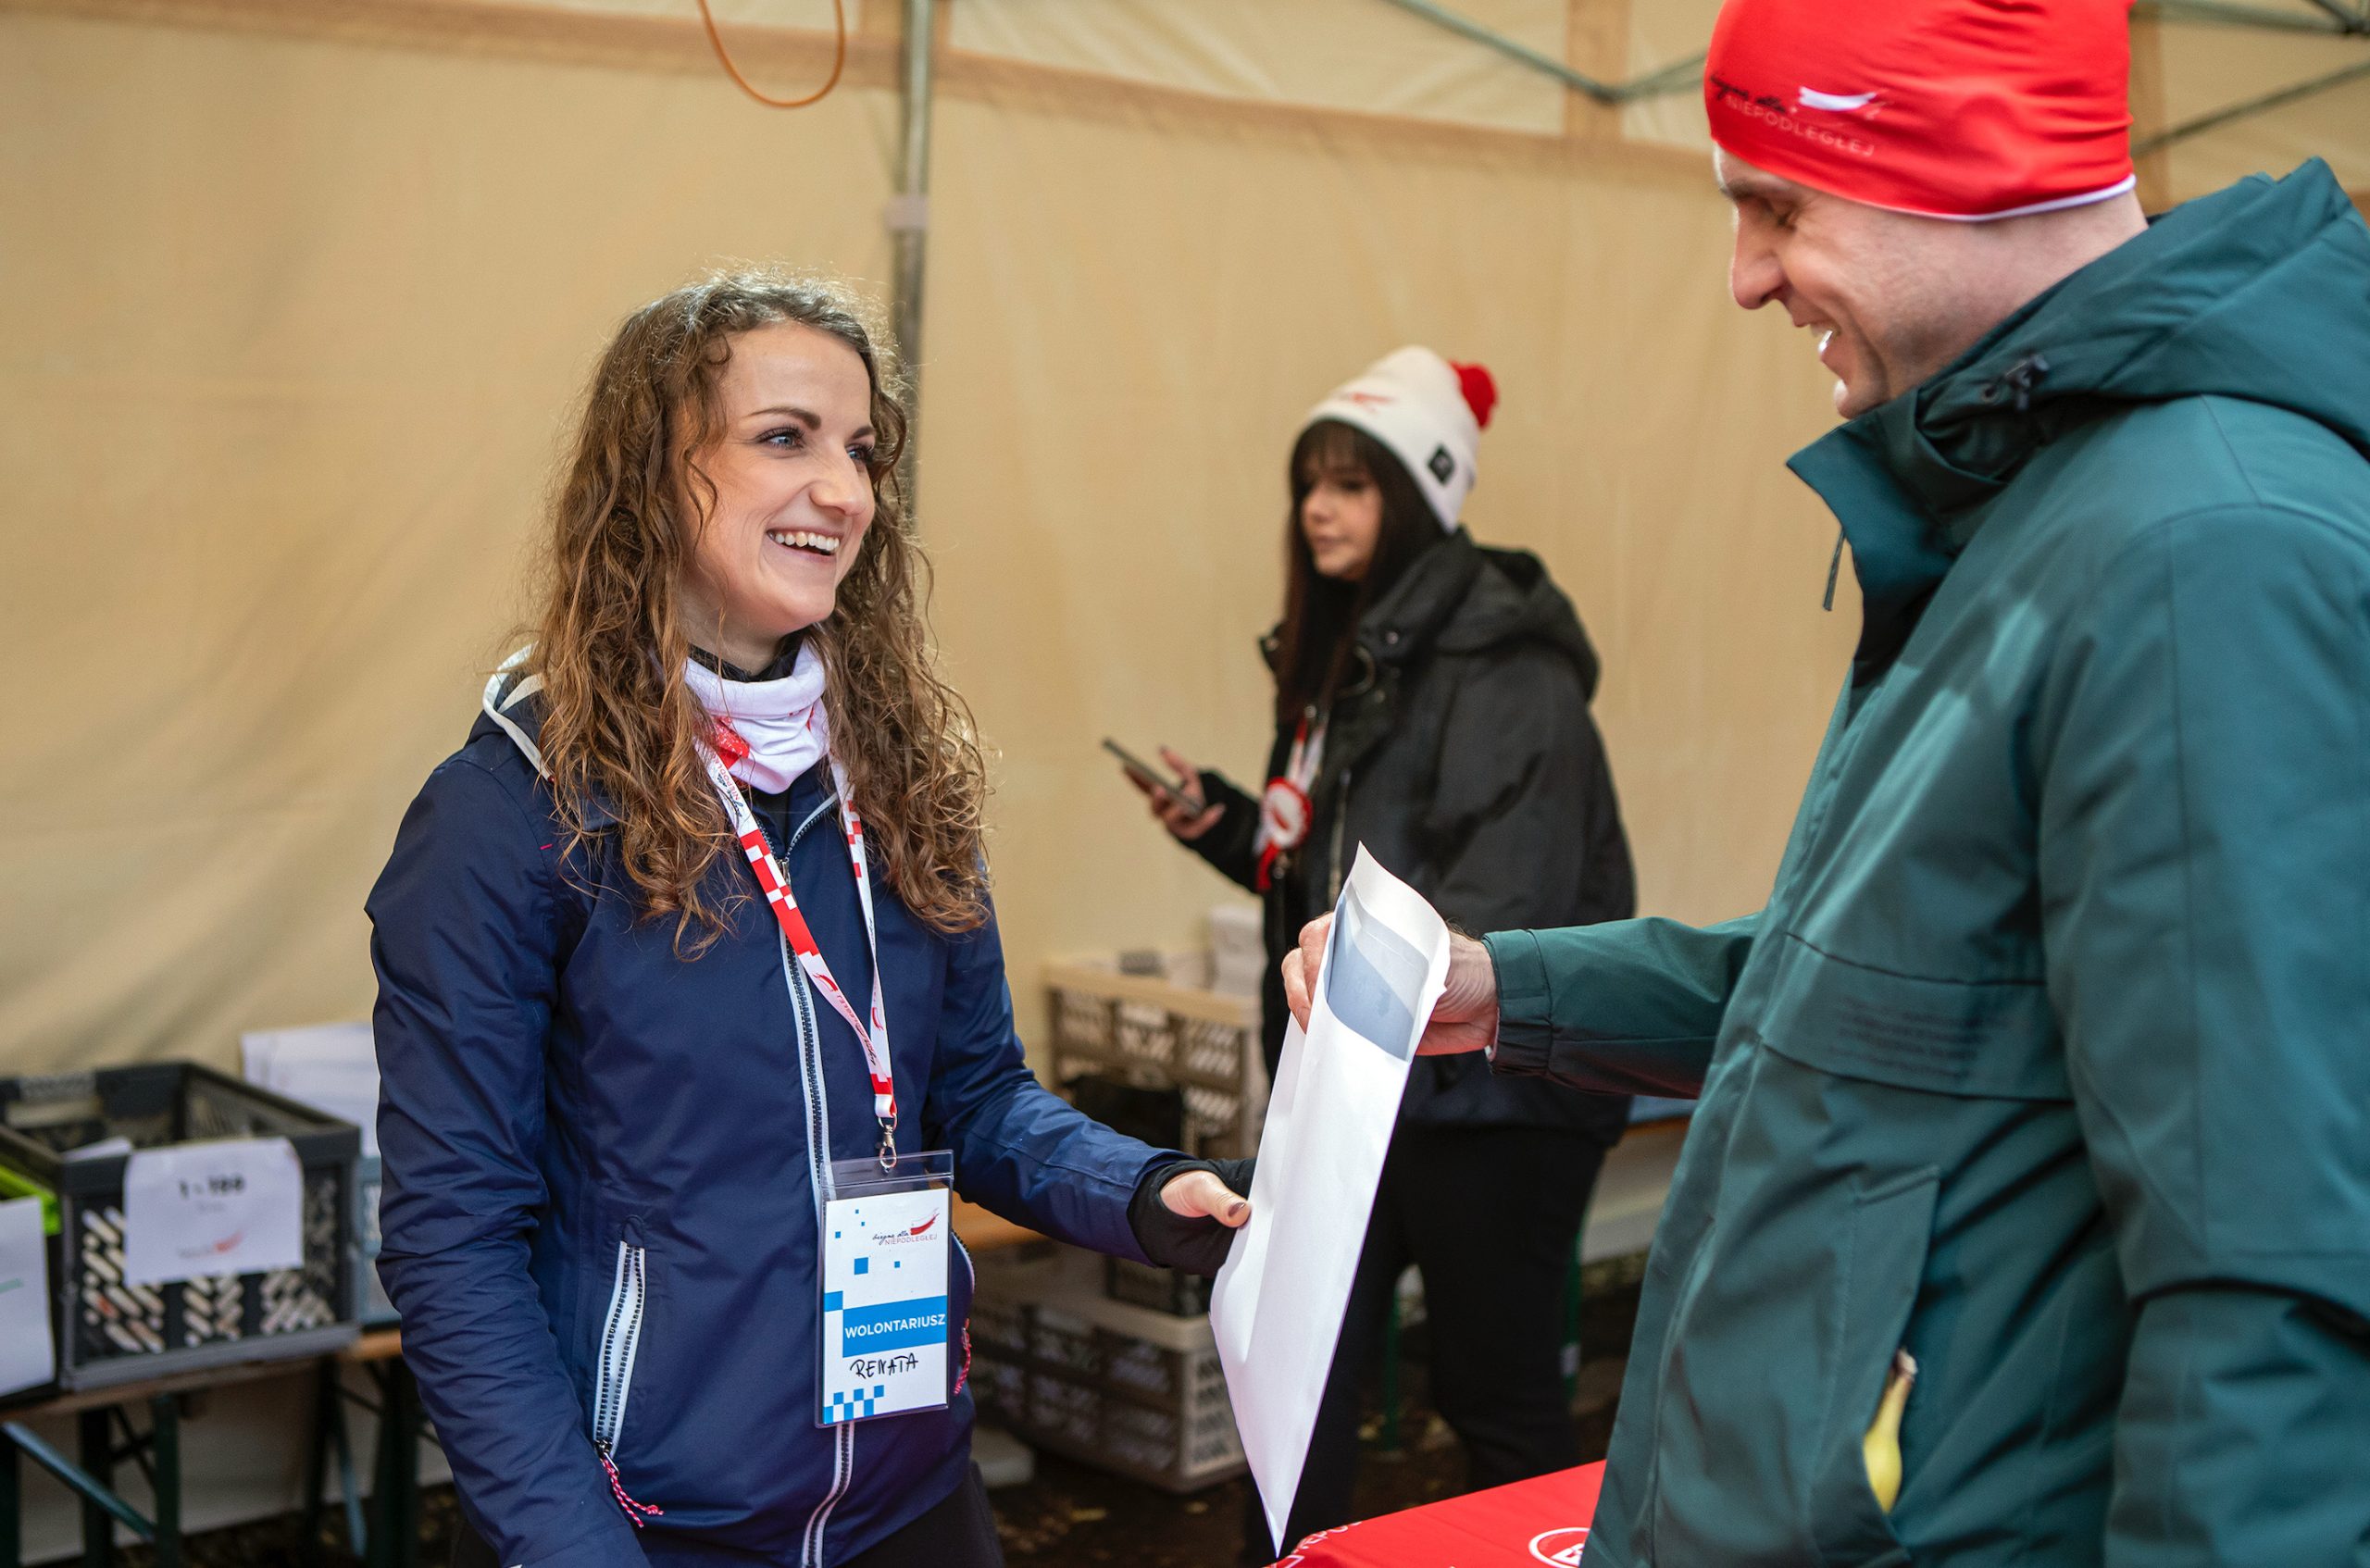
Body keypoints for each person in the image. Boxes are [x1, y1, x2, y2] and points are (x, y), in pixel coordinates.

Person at [1286, 2, 2370, 1562]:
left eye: (1779, 203)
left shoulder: (2204, 555)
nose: (1743, 276)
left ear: (1974, 165)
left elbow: (2277, 1288)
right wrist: (1498, 986)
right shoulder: (2037, 516)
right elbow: (1865, 999)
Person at [368, 272, 1254, 1568]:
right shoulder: (513, 812)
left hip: (911, 1496)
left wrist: (1144, 1188)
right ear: (652, 476)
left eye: (863, 452)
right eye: (784, 438)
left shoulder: (899, 772)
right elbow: (452, 1242)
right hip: (655, 1526)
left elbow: (981, 1095)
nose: (843, 490)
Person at [1134, 347, 1635, 1554]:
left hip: (1493, 1099)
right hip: (1363, 1088)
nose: (1319, 507)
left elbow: (1493, 910)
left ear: (1420, 495)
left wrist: (1363, 1027)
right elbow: (1343, 871)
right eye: (1311, 480)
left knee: (1498, 1401)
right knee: (1298, 1386)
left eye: (1355, 483)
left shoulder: (1508, 669)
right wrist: (1236, 831)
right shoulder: (1352, 662)